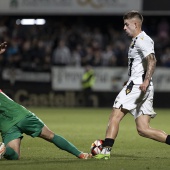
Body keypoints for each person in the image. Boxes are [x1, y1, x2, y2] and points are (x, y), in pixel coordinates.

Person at [94, 10, 170, 160]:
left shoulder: (143, 39)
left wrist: (145, 80)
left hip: (138, 86)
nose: (124, 28)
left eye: (126, 24)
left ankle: (105, 151)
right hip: (139, 84)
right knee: (143, 129)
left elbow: (152, 60)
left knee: (115, 115)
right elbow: (140, 64)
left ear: (135, 24)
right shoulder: (138, 40)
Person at [0, 42, 92, 160]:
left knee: (13, 154)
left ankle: (3, 150)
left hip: (5, 125)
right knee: (50, 136)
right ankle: (80, 154)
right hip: (20, 115)